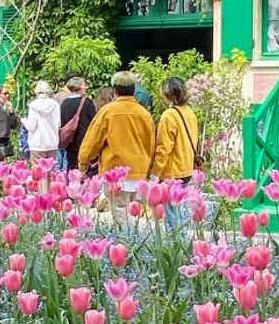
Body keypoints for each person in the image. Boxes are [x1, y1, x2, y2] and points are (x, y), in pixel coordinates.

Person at [79, 71, 154, 215]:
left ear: (115, 90)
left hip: (114, 173)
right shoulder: (144, 114)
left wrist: (83, 163)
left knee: (119, 218)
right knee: (134, 218)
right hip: (138, 173)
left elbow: (91, 142)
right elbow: (150, 145)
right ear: (134, 89)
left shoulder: (107, 112)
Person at [151, 77, 199, 229]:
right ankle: (184, 243)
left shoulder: (169, 115)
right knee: (181, 211)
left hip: (172, 171)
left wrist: (155, 173)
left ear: (166, 94)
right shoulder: (190, 112)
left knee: (172, 215)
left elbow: (164, 148)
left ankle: (176, 246)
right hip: (186, 167)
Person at [21, 81, 60, 190]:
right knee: (50, 172)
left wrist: (24, 121)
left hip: (37, 143)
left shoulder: (33, 106)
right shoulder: (55, 105)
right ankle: (49, 196)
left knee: (40, 173)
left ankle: (43, 196)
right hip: (52, 142)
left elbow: (32, 126)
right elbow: (58, 124)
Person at [59, 77, 96, 171]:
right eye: (84, 85)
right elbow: (94, 121)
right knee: (84, 168)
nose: (86, 87)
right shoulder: (87, 102)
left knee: (71, 166)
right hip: (84, 140)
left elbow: (62, 121)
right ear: (78, 87)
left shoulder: (65, 103)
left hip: (70, 140)